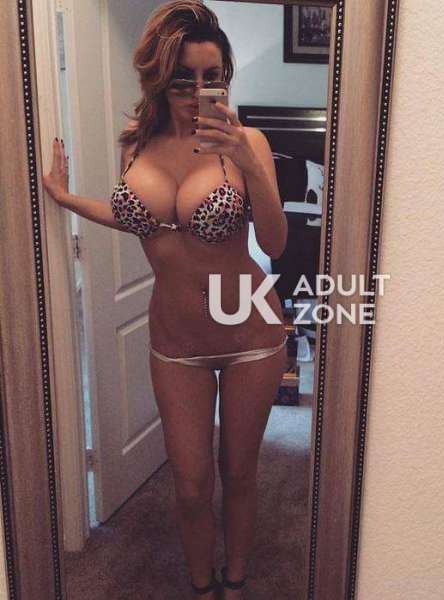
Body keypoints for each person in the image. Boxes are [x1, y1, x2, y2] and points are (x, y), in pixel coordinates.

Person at [42, 2, 289, 598]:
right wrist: (68, 200)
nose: (199, 91)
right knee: (190, 485)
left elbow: (276, 242)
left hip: (251, 334)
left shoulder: (247, 143)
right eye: (184, 79)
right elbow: (140, 220)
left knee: (239, 473)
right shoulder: (136, 146)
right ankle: (201, 587)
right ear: (159, 77)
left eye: (212, 77)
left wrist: (249, 163)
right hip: (176, 343)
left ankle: (235, 583)